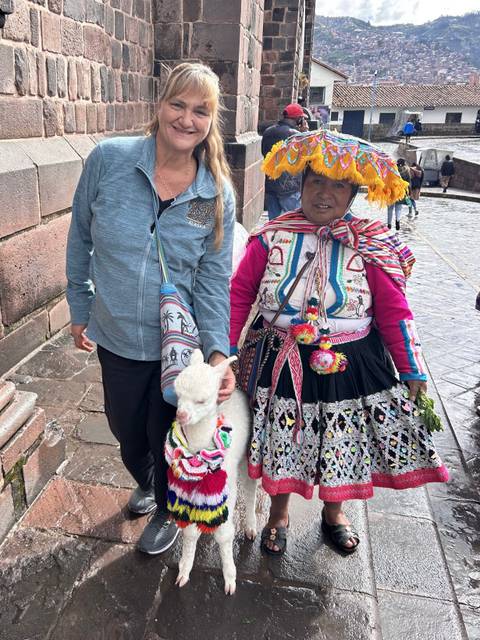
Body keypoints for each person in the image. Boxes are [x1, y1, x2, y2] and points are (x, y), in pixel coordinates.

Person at [230, 130, 448, 556]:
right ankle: (279, 514)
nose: (324, 194)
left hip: (350, 359)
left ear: (352, 195)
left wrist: (412, 368)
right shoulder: (271, 236)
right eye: (316, 182)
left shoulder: (372, 246)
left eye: (338, 185)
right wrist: (226, 349)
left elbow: (394, 311)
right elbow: (240, 293)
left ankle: (335, 513)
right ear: (302, 185)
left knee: (340, 439)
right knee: (281, 439)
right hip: (280, 355)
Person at [66, 62, 236, 556]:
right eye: (178, 105)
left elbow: (210, 278)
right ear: (159, 106)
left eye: (200, 111)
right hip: (116, 333)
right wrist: (81, 304)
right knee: (124, 429)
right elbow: (80, 237)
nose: (186, 119)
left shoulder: (212, 194)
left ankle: (167, 505)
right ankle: (144, 480)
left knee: (168, 435)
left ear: (211, 120)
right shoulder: (109, 162)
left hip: (176, 347)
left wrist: (218, 353)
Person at [261, 103, 307, 220]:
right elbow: (305, 156)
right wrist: (305, 133)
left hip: (271, 184)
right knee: (294, 221)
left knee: (273, 222)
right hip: (290, 187)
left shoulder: (268, 132)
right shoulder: (296, 136)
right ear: (299, 119)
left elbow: (264, 153)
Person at [387, 158, 411, 230]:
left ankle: (389, 224)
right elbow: (408, 182)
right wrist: (409, 191)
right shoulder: (407, 170)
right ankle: (397, 222)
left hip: (391, 190)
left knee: (390, 208)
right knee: (398, 207)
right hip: (401, 191)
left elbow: (388, 178)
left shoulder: (392, 169)